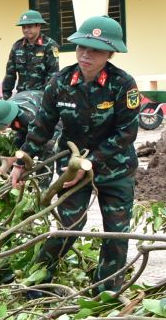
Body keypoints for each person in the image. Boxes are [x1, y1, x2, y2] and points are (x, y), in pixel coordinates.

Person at [9, 16, 140, 294]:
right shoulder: (60, 82)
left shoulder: (123, 85)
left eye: (94, 49)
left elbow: (126, 134)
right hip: (71, 171)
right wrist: (21, 162)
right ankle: (38, 284)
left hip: (114, 170)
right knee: (68, 226)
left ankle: (105, 292)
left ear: (110, 53)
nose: (85, 53)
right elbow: (41, 127)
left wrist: (88, 162)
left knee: (116, 233)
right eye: (81, 46)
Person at [0, 89, 50, 168]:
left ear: (9, 119)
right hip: (22, 119)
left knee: (48, 146)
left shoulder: (29, 117)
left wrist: (19, 163)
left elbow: (37, 140)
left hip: (49, 115)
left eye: (0, 126)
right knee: (17, 143)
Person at [2, 10, 60, 96]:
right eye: (23, 27)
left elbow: (52, 75)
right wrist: (6, 96)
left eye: (29, 26)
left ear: (38, 26)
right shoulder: (17, 46)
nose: (26, 30)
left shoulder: (50, 45)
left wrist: (46, 97)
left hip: (41, 95)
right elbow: (10, 74)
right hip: (21, 95)